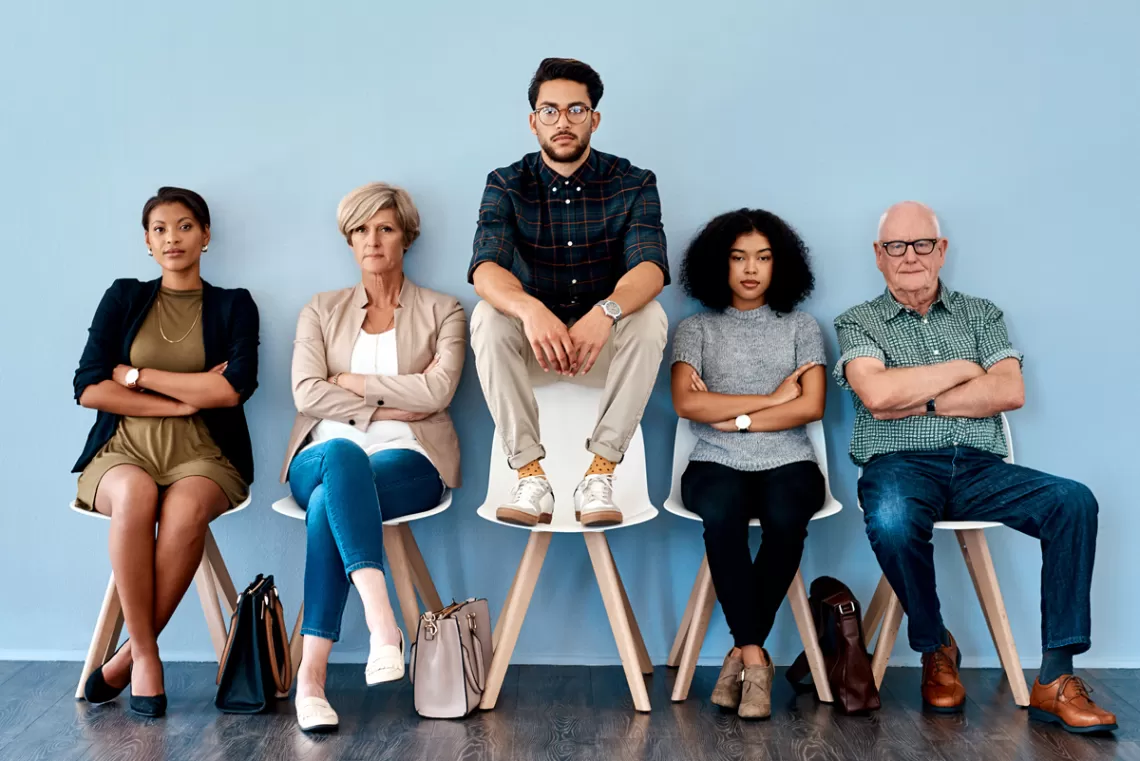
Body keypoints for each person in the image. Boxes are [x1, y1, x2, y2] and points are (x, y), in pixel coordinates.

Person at [834, 201, 1116, 732]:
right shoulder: (858, 321)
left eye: (922, 244)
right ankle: (936, 645)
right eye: (896, 246)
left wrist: (921, 396)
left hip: (979, 469)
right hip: (898, 466)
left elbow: (1009, 390)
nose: (910, 256)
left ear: (941, 250)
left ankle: (1055, 676)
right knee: (892, 519)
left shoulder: (982, 314)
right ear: (878, 256)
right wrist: (965, 370)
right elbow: (876, 393)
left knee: (1073, 500)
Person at [281, 182, 465, 732]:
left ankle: (311, 680)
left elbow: (438, 393)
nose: (373, 240)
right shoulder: (320, 309)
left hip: (411, 460)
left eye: (385, 228)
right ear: (349, 239)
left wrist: (354, 383)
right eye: (361, 230)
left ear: (406, 236)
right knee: (339, 457)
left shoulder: (444, 309)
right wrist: (389, 404)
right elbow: (306, 394)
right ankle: (382, 623)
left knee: (327, 506)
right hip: (321, 453)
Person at [73, 187, 259, 718]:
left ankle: (126, 655)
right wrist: (183, 399)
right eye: (159, 229)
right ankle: (148, 658)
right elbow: (89, 387)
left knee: (185, 509)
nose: (172, 238)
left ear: (205, 235)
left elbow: (231, 390)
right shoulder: (124, 296)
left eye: (183, 226)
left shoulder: (234, 304)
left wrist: (138, 377)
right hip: (122, 448)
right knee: (134, 495)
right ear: (147, 242)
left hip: (205, 454)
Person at [469, 57, 669, 528]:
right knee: (487, 316)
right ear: (533, 120)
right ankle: (531, 476)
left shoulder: (633, 182)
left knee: (650, 316)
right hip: (532, 352)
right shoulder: (505, 183)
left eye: (576, 110)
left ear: (594, 119)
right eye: (550, 110)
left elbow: (651, 268)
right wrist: (530, 310)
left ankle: (598, 476)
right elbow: (485, 269)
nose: (563, 122)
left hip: (602, 351)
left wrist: (607, 312)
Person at [671, 209, 825, 719]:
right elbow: (689, 406)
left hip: (791, 460)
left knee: (786, 519)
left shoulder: (802, 327)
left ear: (780, 266)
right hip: (714, 463)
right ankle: (756, 654)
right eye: (738, 258)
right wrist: (773, 397)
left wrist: (734, 416)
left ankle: (742, 654)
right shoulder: (694, 329)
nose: (751, 269)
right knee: (722, 517)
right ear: (720, 265)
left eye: (762, 257)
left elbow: (810, 407)